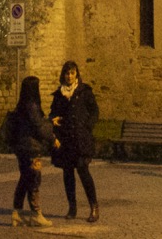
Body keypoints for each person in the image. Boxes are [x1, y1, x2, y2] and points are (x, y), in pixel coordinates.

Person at [50, 60, 100, 223]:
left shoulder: (84, 91)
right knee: (68, 174)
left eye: (72, 73)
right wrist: (53, 120)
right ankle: (72, 207)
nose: (69, 76)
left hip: (80, 139)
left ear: (76, 74)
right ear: (63, 75)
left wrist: (87, 126)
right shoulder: (59, 95)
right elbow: (53, 114)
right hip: (65, 140)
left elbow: (94, 111)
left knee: (83, 171)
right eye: (67, 73)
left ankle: (94, 206)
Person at [7, 75, 54, 228]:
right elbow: (39, 127)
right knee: (34, 180)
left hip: (21, 148)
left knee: (24, 179)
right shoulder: (32, 106)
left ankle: (17, 213)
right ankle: (36, 214)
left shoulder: (21, 106)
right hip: (32, 149)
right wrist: (52, 135)